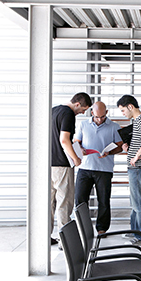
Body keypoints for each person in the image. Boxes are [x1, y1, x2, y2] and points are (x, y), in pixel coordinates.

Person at [73, 101, 123, 234]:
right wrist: (80, 149)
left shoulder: (114, 126)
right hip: (85, 168)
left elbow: (120, 146)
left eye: (102, 117)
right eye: (96, 117)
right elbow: (76, 142)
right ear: (91, 113)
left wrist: (110, 152)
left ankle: (102, 229)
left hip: (104, 170)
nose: (99, 120)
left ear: (106, 113)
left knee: (104, 200)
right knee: (80, 200)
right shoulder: (83, 124)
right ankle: (82, 227)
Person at [51, 92, 93, 245]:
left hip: (48, 164)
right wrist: (75, 158)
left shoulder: (53, 110)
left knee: (49, 203)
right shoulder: (68, 114)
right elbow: (64, 139)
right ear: (77, 104)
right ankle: (65, 242)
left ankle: (44, 238)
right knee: (64, 203)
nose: (82, 113)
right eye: (83, 109)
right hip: (62, 165)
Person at [117, 94, 141, 243]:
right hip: (136, 168)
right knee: (135, 202)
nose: (123, 113)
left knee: (139, 202)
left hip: (139, 168)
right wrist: (129, 147)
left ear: (130, 107)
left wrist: (136, 155)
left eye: (123, 110)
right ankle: (135, 231)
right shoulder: (137, 121)